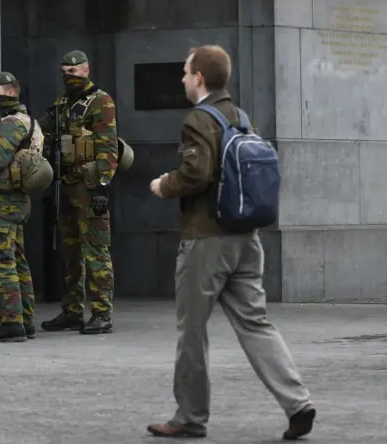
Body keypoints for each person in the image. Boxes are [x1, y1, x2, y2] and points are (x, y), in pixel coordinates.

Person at [146, 45, 316, 439]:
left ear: (200, 78)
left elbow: (196, 174)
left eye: (186, 73)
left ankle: (190, 418)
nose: (183, 79)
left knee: (192, 332)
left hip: (206, 241)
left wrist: (163, 184)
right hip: (246, 238)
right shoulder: (240, 117)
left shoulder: (197, 120)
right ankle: (298, 402)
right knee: (256, 323)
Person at [38, 50, 118, 335]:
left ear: (86, 71)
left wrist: (101, 187)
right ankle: (71, 311)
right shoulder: (61, 104)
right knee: (69, 251)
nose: (68, 77)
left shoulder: (100, 101)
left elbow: (108, 147)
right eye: (64, 72)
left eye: (73, 72)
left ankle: (102, 313)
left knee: (95, 249)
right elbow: (41, 130)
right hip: (66, 186)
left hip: (89, 187)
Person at [0, 71, 43, 343]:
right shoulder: (31, 122)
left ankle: (11, 322)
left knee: (1, 261)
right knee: (17, 260)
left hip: (4, 200)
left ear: (12, 92)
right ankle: (25, 319)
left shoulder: (12, 123)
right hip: (20, 200)